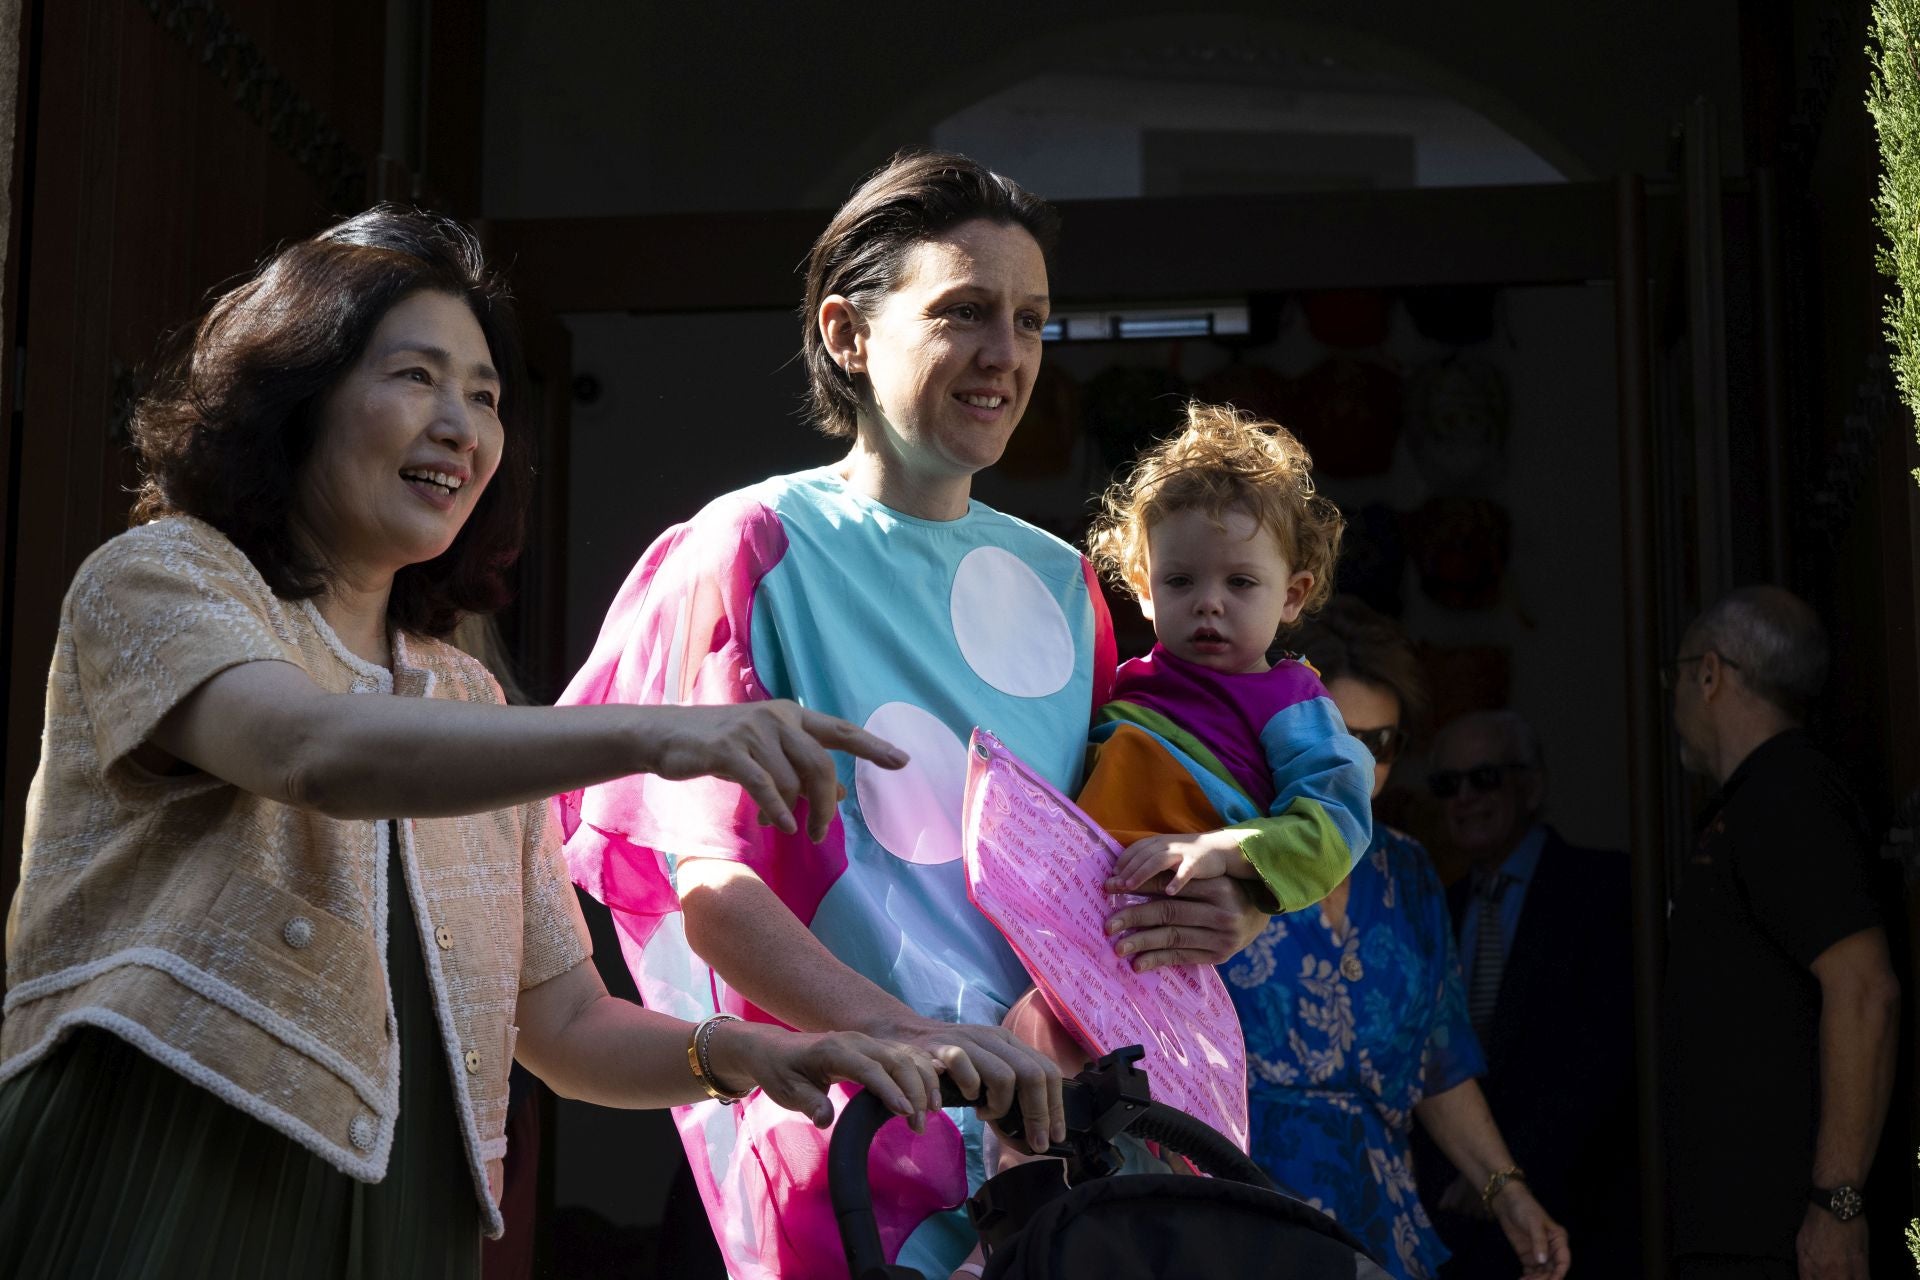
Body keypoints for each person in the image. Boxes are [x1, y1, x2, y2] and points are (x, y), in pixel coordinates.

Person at [0, 208, 946, 1279]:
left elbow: (567, 1020)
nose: (462, 425)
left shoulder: (464, 692)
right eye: (416, 376)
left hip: (414, 1225)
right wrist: (659, 732)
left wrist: (743, 1051)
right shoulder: (162, 577)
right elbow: (312, 750)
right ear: (295, 396)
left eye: (487, 396)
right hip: (164, 1179)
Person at [554, 151, 1272, 1280]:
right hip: (860, 1131)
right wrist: (908, 1035)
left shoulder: (1062, 583)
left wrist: (1213, 906)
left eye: (1031, 320)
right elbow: (713, 890)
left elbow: (1092, 873)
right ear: (846, 333)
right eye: (965, 312)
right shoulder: (747, 547)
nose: (1007, 353)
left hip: (1062, 1145)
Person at [1219, 598, 1570, 1280]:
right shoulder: (1223, 848)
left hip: (1382, 1226)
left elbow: (1439, 1060)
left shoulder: (1406, 870)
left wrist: (1509, 1193)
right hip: (1243, 1221)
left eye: (1381, 744)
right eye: (1339, 736)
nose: (1359, 765)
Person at [1663, 586, 1899, 1280]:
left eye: (1678, 674)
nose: (1674, 698)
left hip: (1786, 1242)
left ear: (1710, 674)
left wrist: (1838, 1204)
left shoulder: (1786, 796)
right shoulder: (1753, 800)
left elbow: (1865, 991)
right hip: (1749, 1231)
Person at [1082, 402, 1375, 914]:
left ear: (1292, 595)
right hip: (1074, 902)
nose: (1208, 602)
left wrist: (1222, 848)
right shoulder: (1117, 685)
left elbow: (1337, 824)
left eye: (1240, 581)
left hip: (1180, 927)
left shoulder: (1292, 700)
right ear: (1143, 590)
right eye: (1179, 580)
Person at [1414, 710, 1639, 1277]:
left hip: (1575, 1207)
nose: (1464, 798)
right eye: (1447, 784)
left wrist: (1502, 1176)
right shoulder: (1436, 904)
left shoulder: (1607, 889)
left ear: (1531, 785)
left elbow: (1606, 1054)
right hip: (1452, 1220)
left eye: (1484, 778)